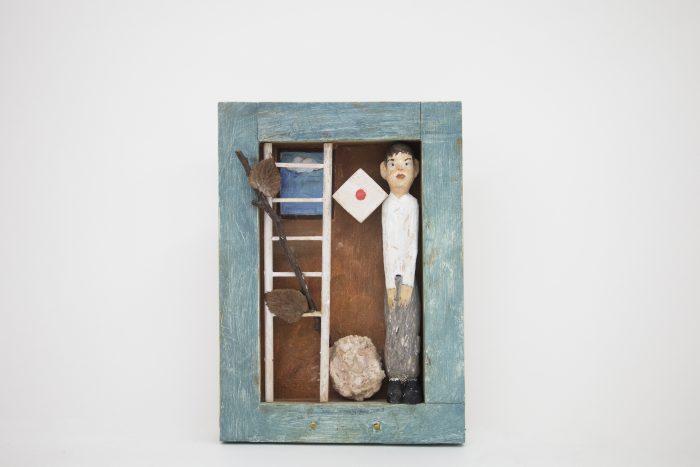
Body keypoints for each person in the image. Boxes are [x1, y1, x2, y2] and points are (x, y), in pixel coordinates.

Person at [379, 143, 422, 404]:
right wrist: (389, 283)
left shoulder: (412, 204)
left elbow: (411, 245)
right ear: (384, 170)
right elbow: (387, 247)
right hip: (391, 279)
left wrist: (406, 282)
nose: (399, 170)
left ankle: (411, 379)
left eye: (406, 164)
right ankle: (395, 378)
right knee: (392, 326)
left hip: (407, 279)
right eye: (393, 164)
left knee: (409, 325)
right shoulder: (386, 205)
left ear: (415, 169)